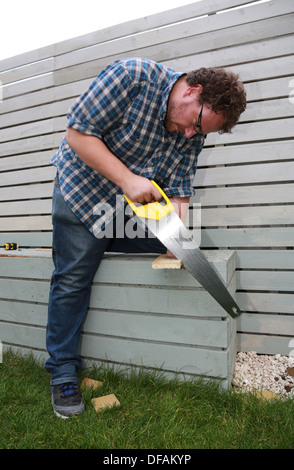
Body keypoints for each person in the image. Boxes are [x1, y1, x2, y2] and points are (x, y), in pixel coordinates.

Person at [45, 57, 246, 418]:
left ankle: (98, 244)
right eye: (196, 124)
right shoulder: (133, 76)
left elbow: (181, 190)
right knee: (73, 277)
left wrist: (178, 240)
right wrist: (126, 179)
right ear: (192, 90)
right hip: (82, 193)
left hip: (129, 207)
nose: (190, 135)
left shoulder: (192, 133)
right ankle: (62, 372)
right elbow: (76, 135)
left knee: (187, 247)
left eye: (200, 133)